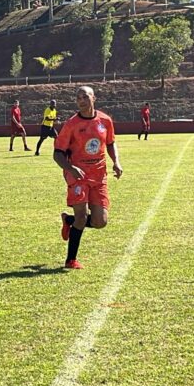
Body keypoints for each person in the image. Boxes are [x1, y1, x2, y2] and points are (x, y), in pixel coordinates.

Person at [54, 86, 122, 269]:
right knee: (82, 217)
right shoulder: (71, 124)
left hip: (99, 176)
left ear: (94, 98)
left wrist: (116, 162)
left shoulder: (105, 121)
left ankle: (69, 221)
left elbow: (111, 143)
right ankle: (71, 260)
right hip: (78, 176)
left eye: (85, 96)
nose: (81, 100)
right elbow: (57, 154)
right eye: (78, 98)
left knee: (101, 222)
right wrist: (71, 168)